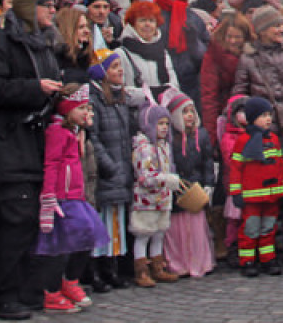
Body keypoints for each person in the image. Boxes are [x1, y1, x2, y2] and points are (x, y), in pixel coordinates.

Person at [0, 0, 62, 321]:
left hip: (32, 144)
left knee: (25, 222)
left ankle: (21, 290)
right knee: (6, 223)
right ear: (28, 8)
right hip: (3, 146)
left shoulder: (44, 47)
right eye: (46, 5)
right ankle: (0, 294)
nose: (52, 10)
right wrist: (33, 89)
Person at [230, 6, 283, 265]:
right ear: (263, 29)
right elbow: (239, 91)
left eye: (281, 25)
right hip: (262, 127)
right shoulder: (248, 58)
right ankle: (264, 240)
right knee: (263, 186)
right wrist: (242, 111)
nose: (282, 29)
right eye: (276, 26)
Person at [35, 89, 106, 314]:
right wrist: (48, 196)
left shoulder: (76, 132)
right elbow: (51, 164)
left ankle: (70, 281)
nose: (87, 112)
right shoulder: (57, 132)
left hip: (76, 196)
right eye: (82, 108)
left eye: (88, 108)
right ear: (67, 110)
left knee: (89, 235)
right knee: (62, 245)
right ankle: (52, 292)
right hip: (62, 197)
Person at [86, 53, 136, 290]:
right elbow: (93, 137)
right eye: (114, 67)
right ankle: (96, 271)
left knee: (116, 223)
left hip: (120, 169)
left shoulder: (120, 98)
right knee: (101, 223)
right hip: (107, 171)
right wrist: (108, 166)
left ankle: (112, 268)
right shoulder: (95, 99)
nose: (120, 71)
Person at [226, 96, 283, 277]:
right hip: (251, 195)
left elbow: (279, 164)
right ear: (252, 118)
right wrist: (236, 192)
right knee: (250, 229)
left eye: (269, 115)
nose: (268, 119)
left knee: (268, 228)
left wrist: (282, 184)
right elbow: (236, 168)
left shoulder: (274, 139)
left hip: (271, 195)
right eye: (263, 115)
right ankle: (248, 261)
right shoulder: (243, 141)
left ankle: (267, 259)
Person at [127, 101, 181, 286]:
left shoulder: (164, 146)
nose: (164, 128)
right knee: (143, 234)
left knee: (159, 233)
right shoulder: (144, 148)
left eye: (166, 124)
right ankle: (141, 270)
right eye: (160, 124)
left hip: (162, 198)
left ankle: (158, 267)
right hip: (146, 199)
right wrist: (167, 179)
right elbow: (145, 176)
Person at [163, 95, 217, 278]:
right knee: (176, 231)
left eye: (191, 111)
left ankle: (199, 262)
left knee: (196, 231)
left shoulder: (201, 136)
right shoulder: (170, 139)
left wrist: (209, 184)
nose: (189, 116)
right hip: (177, 191)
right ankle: (177, 263)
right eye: (184, 112)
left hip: (196, 189)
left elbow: (207, 162)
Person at [152, 0, 211, 102]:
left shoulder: (194, 18)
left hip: (192, 89)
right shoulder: (152, 16)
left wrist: (194, 43)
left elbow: (208, 56)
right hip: (159, 87)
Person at [198, 13, 251, 129]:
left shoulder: (252, 55)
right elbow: (209, 96)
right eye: (229, 36)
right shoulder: (214, 54)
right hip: (223, 114)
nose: (233, 41)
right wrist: (211, 131)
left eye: (237, 37)